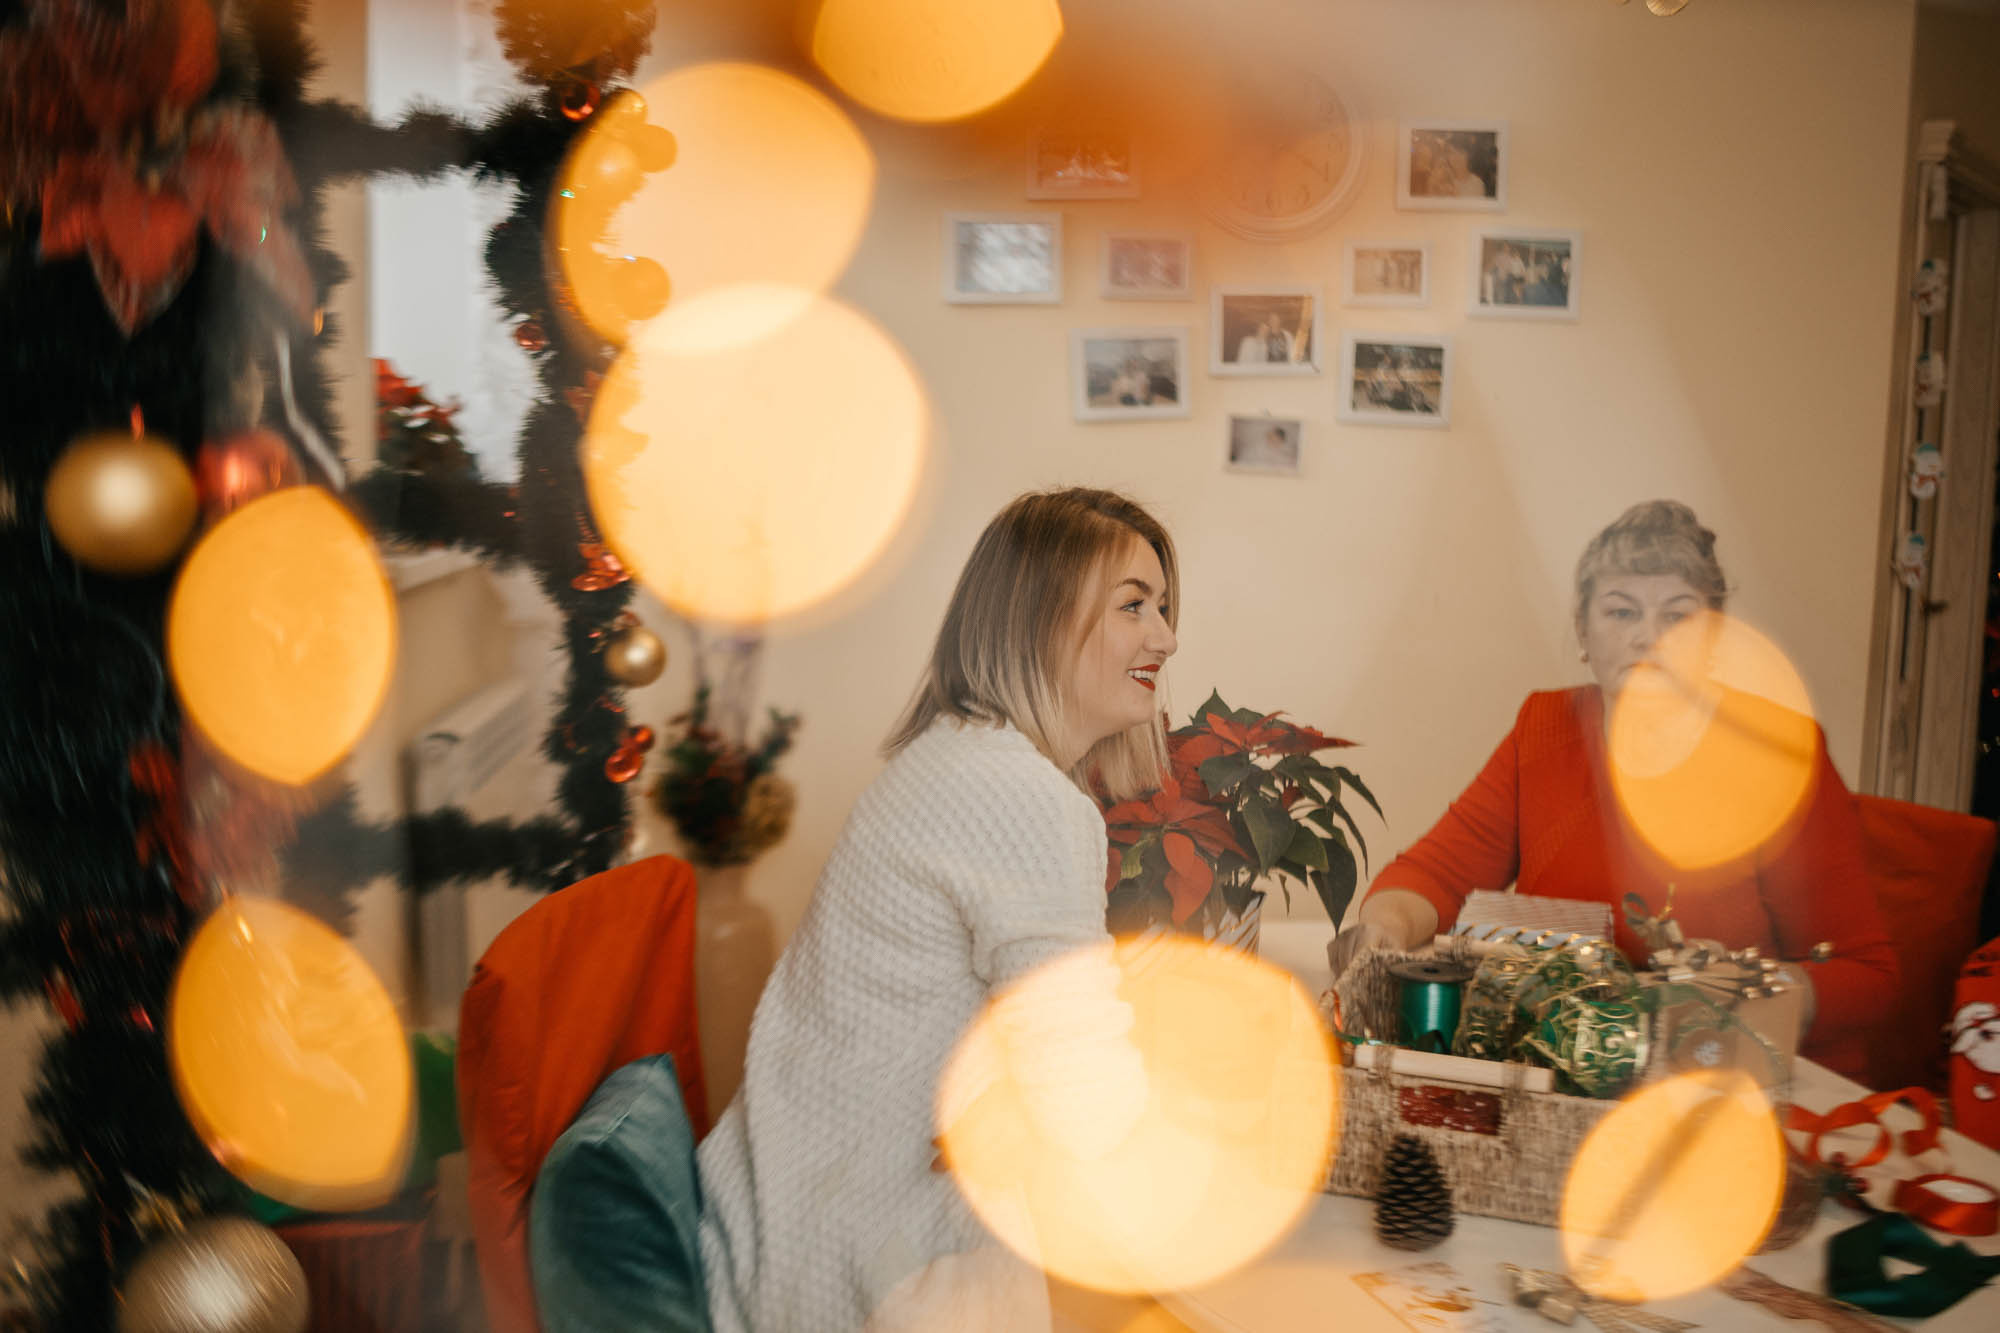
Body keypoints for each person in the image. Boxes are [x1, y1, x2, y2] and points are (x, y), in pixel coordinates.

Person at [696, 488, 1181, 1331]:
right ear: (1038, 619)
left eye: (1164, 608)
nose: (1166, 637)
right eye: (1133, 605)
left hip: (793, 1210)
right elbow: (1084, 1104)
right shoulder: (1022, 798)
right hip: (864, 1257)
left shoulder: (960, 758)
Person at [1335, 500, 1897, 1081]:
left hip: (1729, 1078)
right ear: (1583, 629)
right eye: (1622, 612)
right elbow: (1435, 874)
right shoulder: (1543, 728)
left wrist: (1744, 996)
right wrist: (1383, 933)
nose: (1649, 638)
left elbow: (1867, 974)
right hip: (1561, 1068)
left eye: (1678, 617)